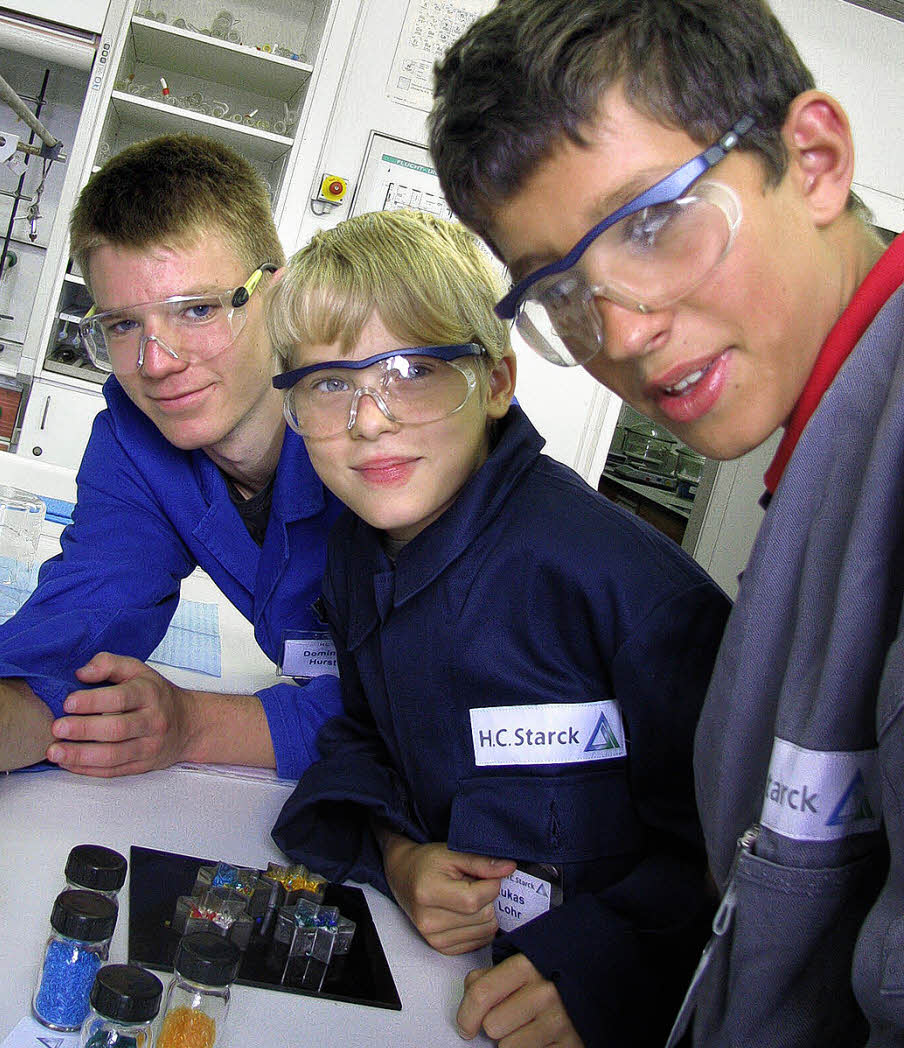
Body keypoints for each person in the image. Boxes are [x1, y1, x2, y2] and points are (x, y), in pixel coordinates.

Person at [429, 2, 904, 1045]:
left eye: (651, 222)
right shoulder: (823, 463)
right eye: (561, 291)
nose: (625, 332)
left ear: (813, 159)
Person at [266, 209, 731, 1048]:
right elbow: (364, 734)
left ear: (496, 380)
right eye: (329, 383)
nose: (368, 419)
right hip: (438, 984)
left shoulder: (631, 594)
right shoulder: (354, 553)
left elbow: (737, 855)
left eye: (410, 369)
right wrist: (397, 855)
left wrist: (600, 970)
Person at [0, 133, 344, 870]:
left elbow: (432, 712)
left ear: (277, 293)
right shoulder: (135, 438)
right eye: (124, 325)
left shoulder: (374, 437)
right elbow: (79, 627)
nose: (155, 364)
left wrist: (196, 724)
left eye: (196, 310)